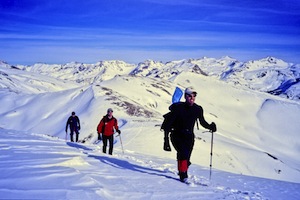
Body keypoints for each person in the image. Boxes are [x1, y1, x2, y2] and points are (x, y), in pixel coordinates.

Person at [163, 87, 217, 182]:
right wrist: (166, 140)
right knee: (183, 154)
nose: (192, 98)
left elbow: (202, 122)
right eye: (190, 96)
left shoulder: (198, 109)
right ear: (185, 96)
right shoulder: (178, 108)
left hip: (189, 137)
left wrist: (210, 127)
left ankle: (183, 172)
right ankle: (183, 176)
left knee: (186, 158)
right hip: (176, 135)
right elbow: (168, 125)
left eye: (194, 96)